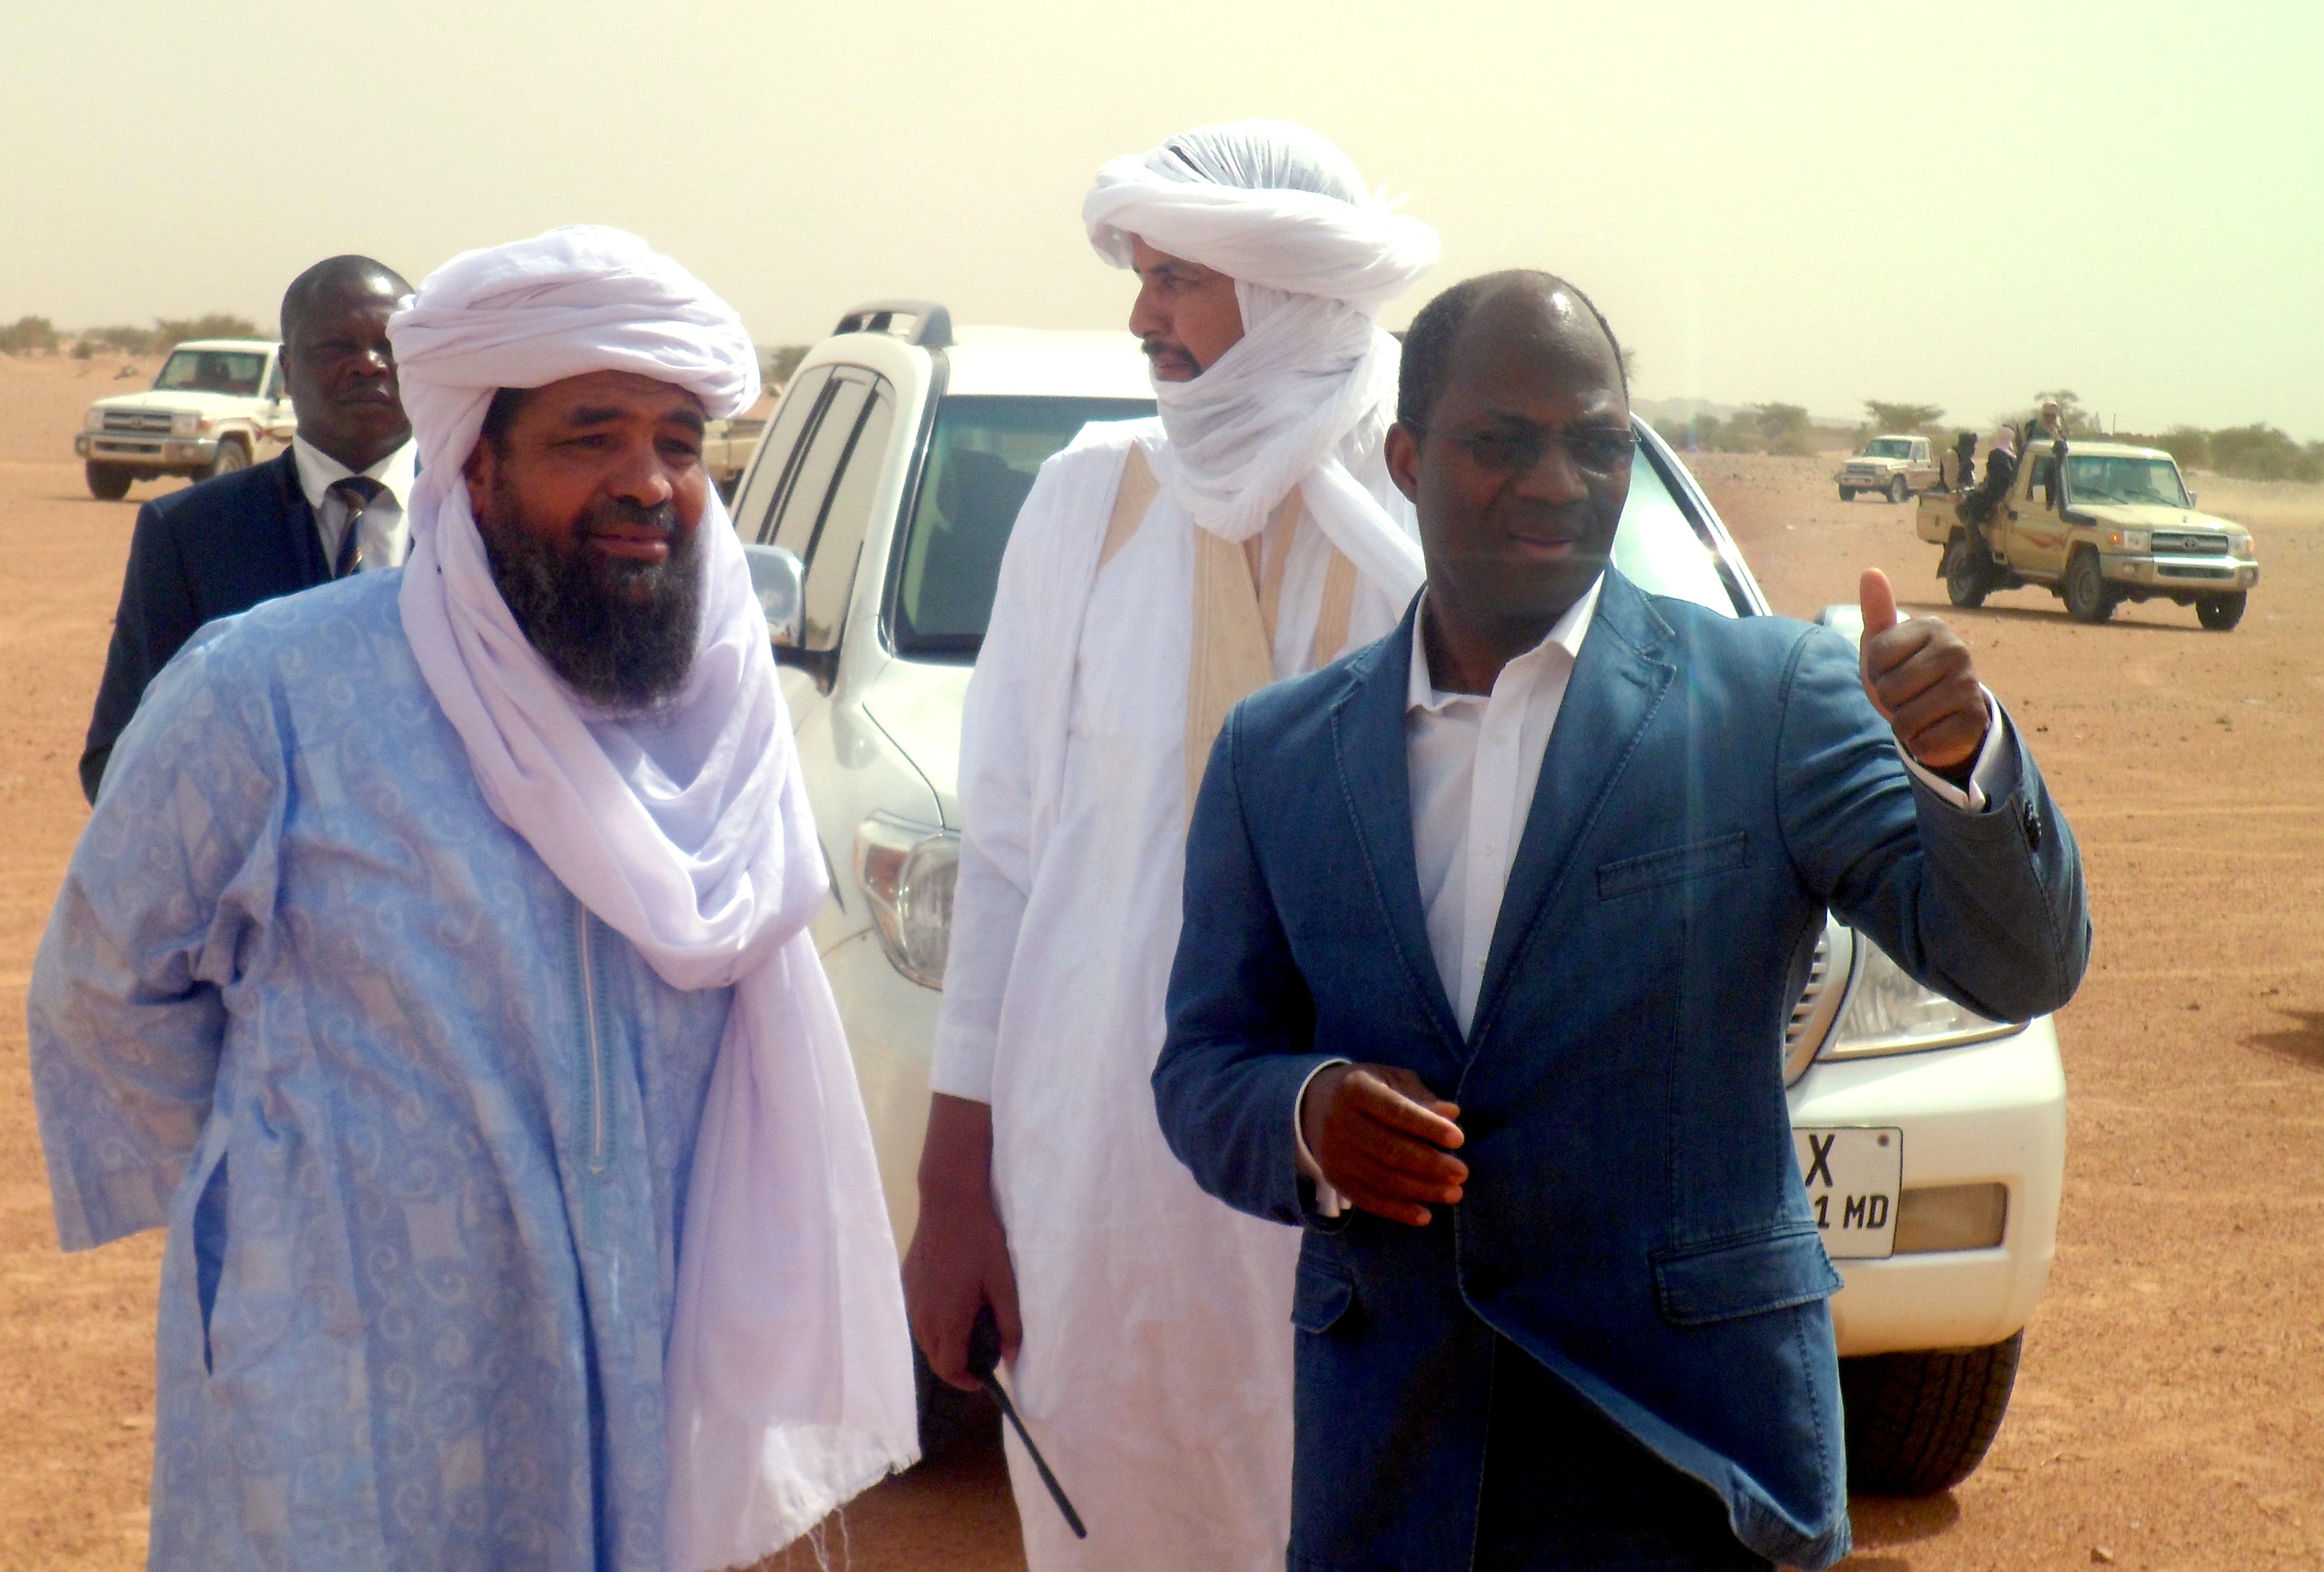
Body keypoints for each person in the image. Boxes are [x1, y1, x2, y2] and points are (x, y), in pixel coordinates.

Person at [1153, 271, 2089, 1571]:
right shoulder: (1280, 754)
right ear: (1408, 458)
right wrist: (1309, 1114)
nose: (1555, 482)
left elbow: (2022, 962)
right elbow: (1203, 1066)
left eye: (1597, 445)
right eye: (1502, 442)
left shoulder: (1771, 702)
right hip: (1396, 1467)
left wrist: (1965, 764)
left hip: (1689, 1465)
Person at [29, 227, 916, 1572]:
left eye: (679, 440)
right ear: (476, 464)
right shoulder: (273, 690)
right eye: (589, 436)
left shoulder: (714, 728)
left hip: (646, 1348)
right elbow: (107, 985)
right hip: (349, 1375)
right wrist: (279, 1185)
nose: (648, 482)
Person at [903, 121, 1437, 1572]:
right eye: (1144, 277)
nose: (1142, 316)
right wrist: (957, 1189)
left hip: (1348, 1162)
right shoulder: (1089, 502)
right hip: (1099, 1163)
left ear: (1285, 295)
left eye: (1179, 281)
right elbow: (1003, 856)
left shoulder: (1426, 524)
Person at [79, 255, 419, 802]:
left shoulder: (485, 521)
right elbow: (120, 760)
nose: (370, 365)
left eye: (391, 346)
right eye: (336, 347)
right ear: (286, 370)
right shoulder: (190, 533)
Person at [1960, 422, 2019, 535]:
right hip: (2007, 493)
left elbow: (1996, 480)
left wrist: (1984, 493)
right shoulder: (2013, 456)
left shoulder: (1996, 454)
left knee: (1965, 508)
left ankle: (1976, 542)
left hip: (1996, 493)